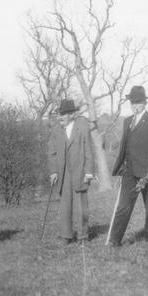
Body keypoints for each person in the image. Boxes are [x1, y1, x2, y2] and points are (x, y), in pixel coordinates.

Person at [109, 85, 148, 246]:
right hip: (129, 172)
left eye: (138, 102)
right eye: (132, 102)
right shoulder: (127, 122)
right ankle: (114, 240)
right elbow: (125, 147)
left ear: (144, 103)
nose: (135, 105)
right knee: (123, 207)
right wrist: (121, 167)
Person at [48, 99, 95, 245]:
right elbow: (52, 152)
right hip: (63, 174)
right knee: (65, 206)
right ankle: (65, 235)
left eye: (63, 114)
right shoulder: (56, 130)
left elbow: (88, 150)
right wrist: (53, 171)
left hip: (79, 171)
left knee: (81, 207)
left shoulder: (82, 127)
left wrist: (89, 172)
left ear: (71, 115)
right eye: (59, 114)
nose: (60, 117)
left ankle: (82, 236)